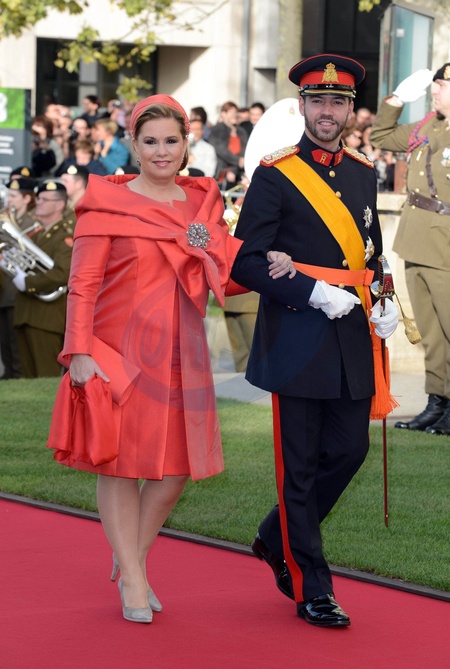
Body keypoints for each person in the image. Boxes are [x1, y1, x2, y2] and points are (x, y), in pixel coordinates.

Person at [46, 94, 295, 625]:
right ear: (133, 145)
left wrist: (267, 260)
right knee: (119, 464)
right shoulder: (105, 204)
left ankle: (130, 558)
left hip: (184, 352)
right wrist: (79, 352)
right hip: (118, 353)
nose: (161, 151)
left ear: (186, 145)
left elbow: (222, 272)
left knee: (176, 470)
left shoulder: (201, 204)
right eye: (150, 141)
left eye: (171, 141)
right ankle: (135, 579)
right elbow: (82, 285)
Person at [231, 54, 399, 627]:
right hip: (297, 337)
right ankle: (311, 587)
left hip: (353, 334)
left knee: (349, 452)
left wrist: (385, 299)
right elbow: (246, 261)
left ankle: (273, 534)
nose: (328, 111)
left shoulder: (362, 172)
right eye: (318, 100)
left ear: (351, 111)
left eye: (338, 102)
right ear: (302, 106)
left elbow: (371, 252)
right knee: (299, 468)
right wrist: (310, 291)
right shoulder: (276, 174)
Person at [371, 65, 450, 434]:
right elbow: (381, 135)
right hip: (417, 239)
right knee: (431, 332)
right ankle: (438, 402)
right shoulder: (427, 126)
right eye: (435, 85)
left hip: (445, 243)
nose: (435, 91)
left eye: (442, 86)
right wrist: (397, 100)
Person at [12, 181, 74, 377]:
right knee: (27, 380)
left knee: (46, 378)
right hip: (26, 313)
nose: (38, 202)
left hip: (47, 318)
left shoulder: (64, 236)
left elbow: (63, 273)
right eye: (38, 198)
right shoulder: (35, 234)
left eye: (44, 200)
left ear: (59, 205)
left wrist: (28, 282)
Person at [0, 177, 38, 379]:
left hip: (18, 292)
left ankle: (17, 378)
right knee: (4, 343)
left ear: (26, 199)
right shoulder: (8, 219)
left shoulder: (33, 223)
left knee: (16, 346)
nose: (9, 200)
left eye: (14, 196)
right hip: (4, 290)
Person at [208, 101, 248, 189]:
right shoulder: (217, 130)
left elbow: (243, 151)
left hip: (238, 173)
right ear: (223, 114)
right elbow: (221, 150)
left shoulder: (241, 132)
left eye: (236, 112)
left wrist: (234, 169)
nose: (234, 115)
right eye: (232, 112)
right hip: (220, 173)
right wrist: (237, 161)